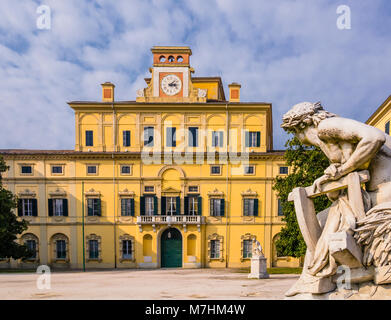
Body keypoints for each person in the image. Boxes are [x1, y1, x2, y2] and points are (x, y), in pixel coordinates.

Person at [281, 101, 391, 277]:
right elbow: (347, 171)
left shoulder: (326, 126)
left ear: (302, 125)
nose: (298, 139)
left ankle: (325, 277)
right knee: (322, 220)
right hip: (373, 191)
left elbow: (375, 137)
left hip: (385, 191)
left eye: (295, 133)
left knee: (324, 224)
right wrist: (331, 177)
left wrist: (341, 170)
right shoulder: (329, 141)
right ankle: (331, 276)